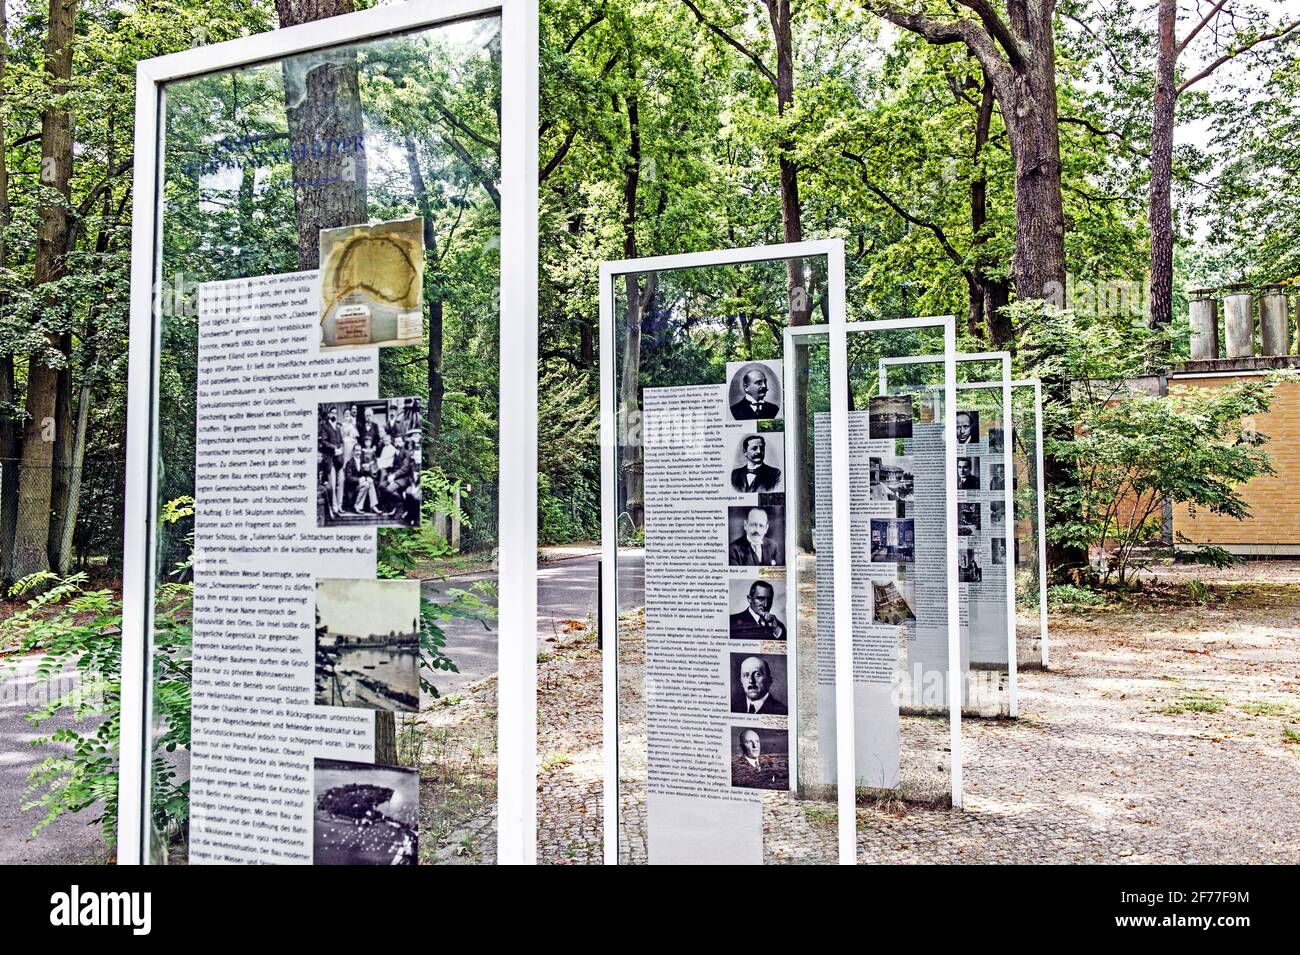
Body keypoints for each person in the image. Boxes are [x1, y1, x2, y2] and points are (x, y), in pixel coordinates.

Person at [319, 406, 345, 512]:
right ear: (329, 414)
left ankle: (339, 506)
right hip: (330, 460)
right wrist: (334, 449)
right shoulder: (324, 426)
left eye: (335, 413)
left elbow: (342, 442)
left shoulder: (338, 428)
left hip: (339, 460)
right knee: (333, 484)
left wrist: (341, 449)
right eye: (332, 413)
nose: (334, 414)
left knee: (341, 481)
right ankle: (334, 508)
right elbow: (324, 442)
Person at [344, 445, 378, 513]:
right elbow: (348, 478)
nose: (358, 453)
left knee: (370, 482)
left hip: (360, 486)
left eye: (359, 450)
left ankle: (373, 505)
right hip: (352, 488)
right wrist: (359, 480)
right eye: (356, 450)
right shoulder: (350, 463)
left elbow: (365, 474)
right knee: (366, 484)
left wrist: (368, 477)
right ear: (353, 452)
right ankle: (357, 506)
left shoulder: (362, 461)